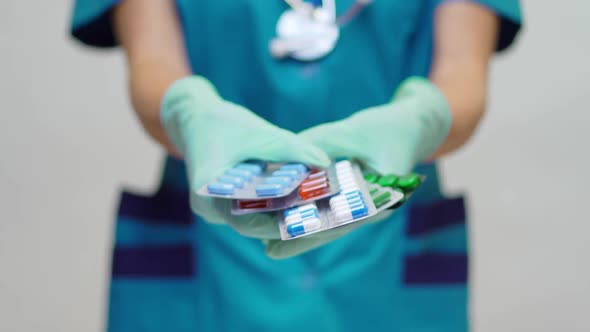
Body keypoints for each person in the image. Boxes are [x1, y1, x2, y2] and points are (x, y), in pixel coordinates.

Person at [71, 0, 521, 331]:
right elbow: (152, 62)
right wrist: (188, 112)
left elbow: (463, 72)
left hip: (385, 256)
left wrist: (420, 118)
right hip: (209, 252)